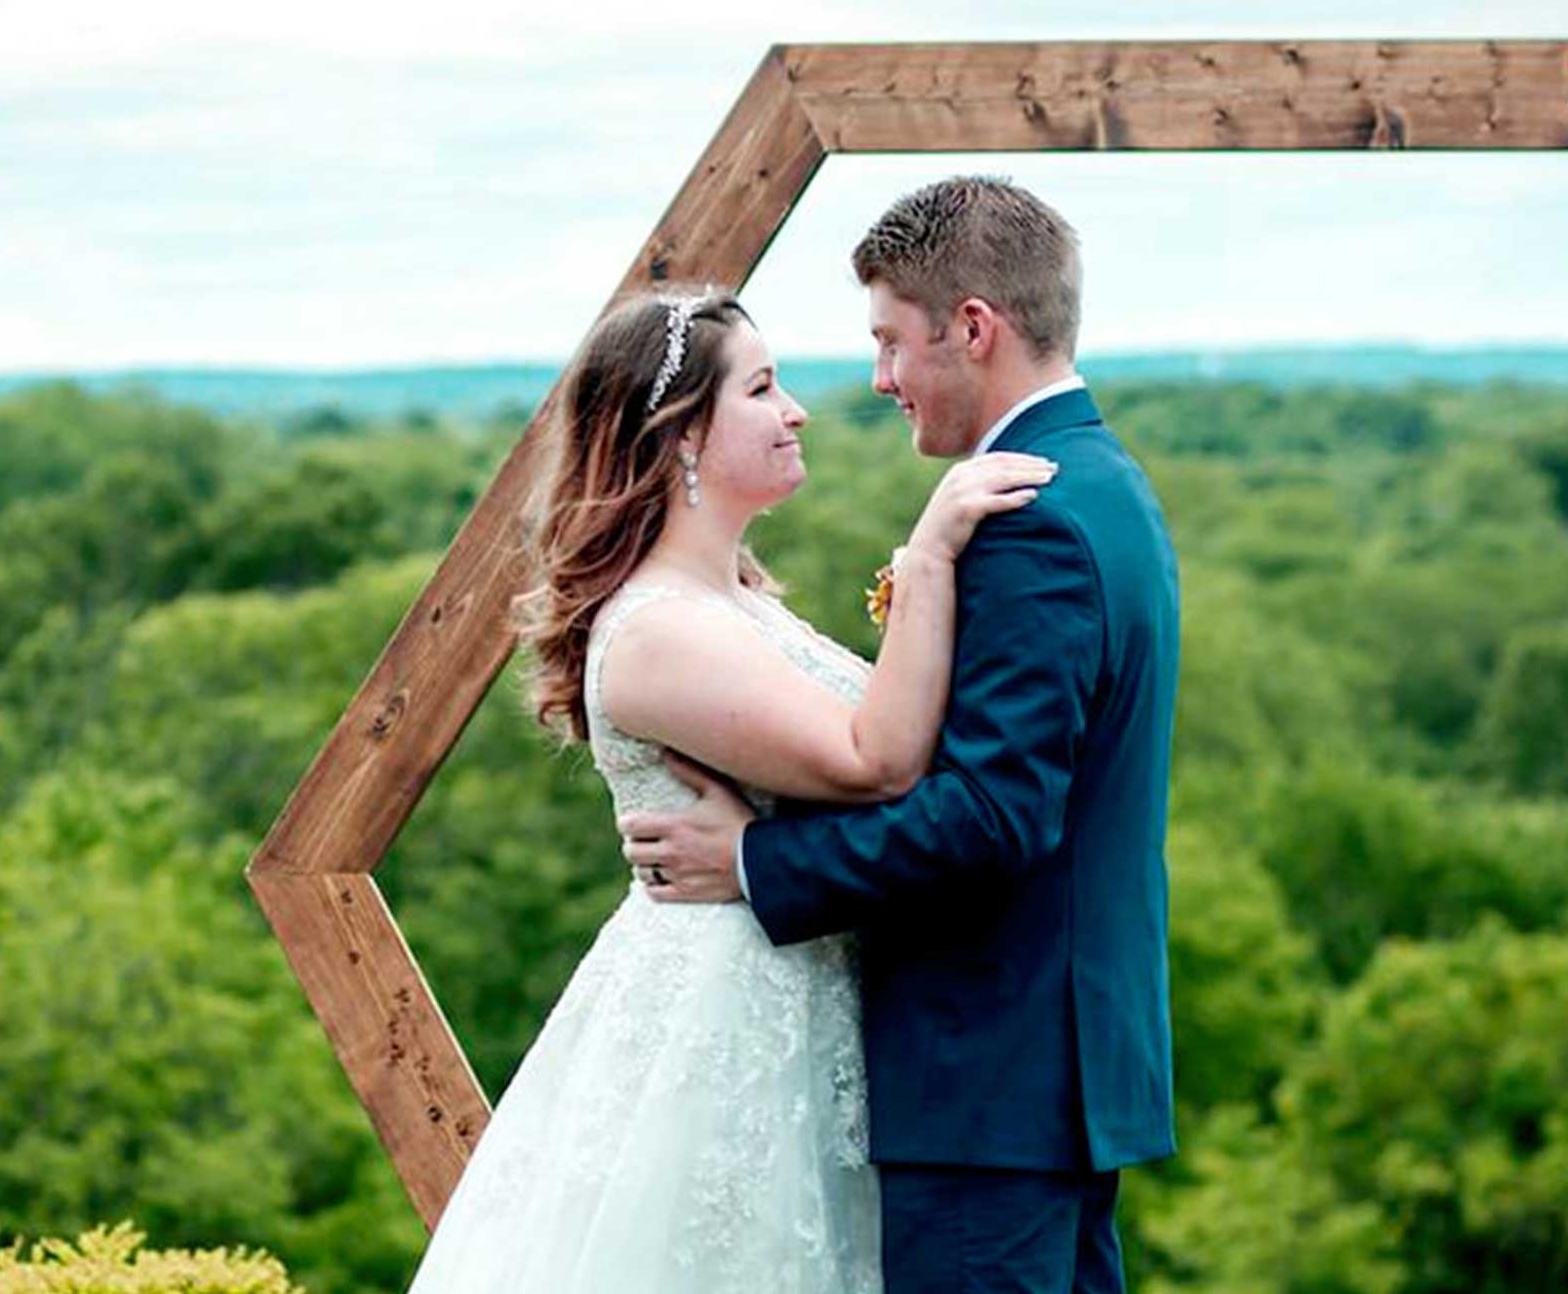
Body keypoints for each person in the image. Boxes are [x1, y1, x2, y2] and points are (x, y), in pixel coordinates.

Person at [403, 282, 1052, 1292]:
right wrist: (926, 559)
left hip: (799, 991)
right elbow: (874, 760)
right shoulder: (656, 628)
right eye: (760, 388)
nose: (794, 410)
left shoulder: (731, 594)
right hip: (724, 1023)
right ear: (679, 440)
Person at [624, 176, 1181, 1294]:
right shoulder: (1102, 486)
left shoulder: (1031, 524)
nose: (877, 379)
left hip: (987, 1084)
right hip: (1042, 1081)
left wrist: (750, 862)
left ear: (971, 327)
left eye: (889, 341)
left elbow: (990, 818)